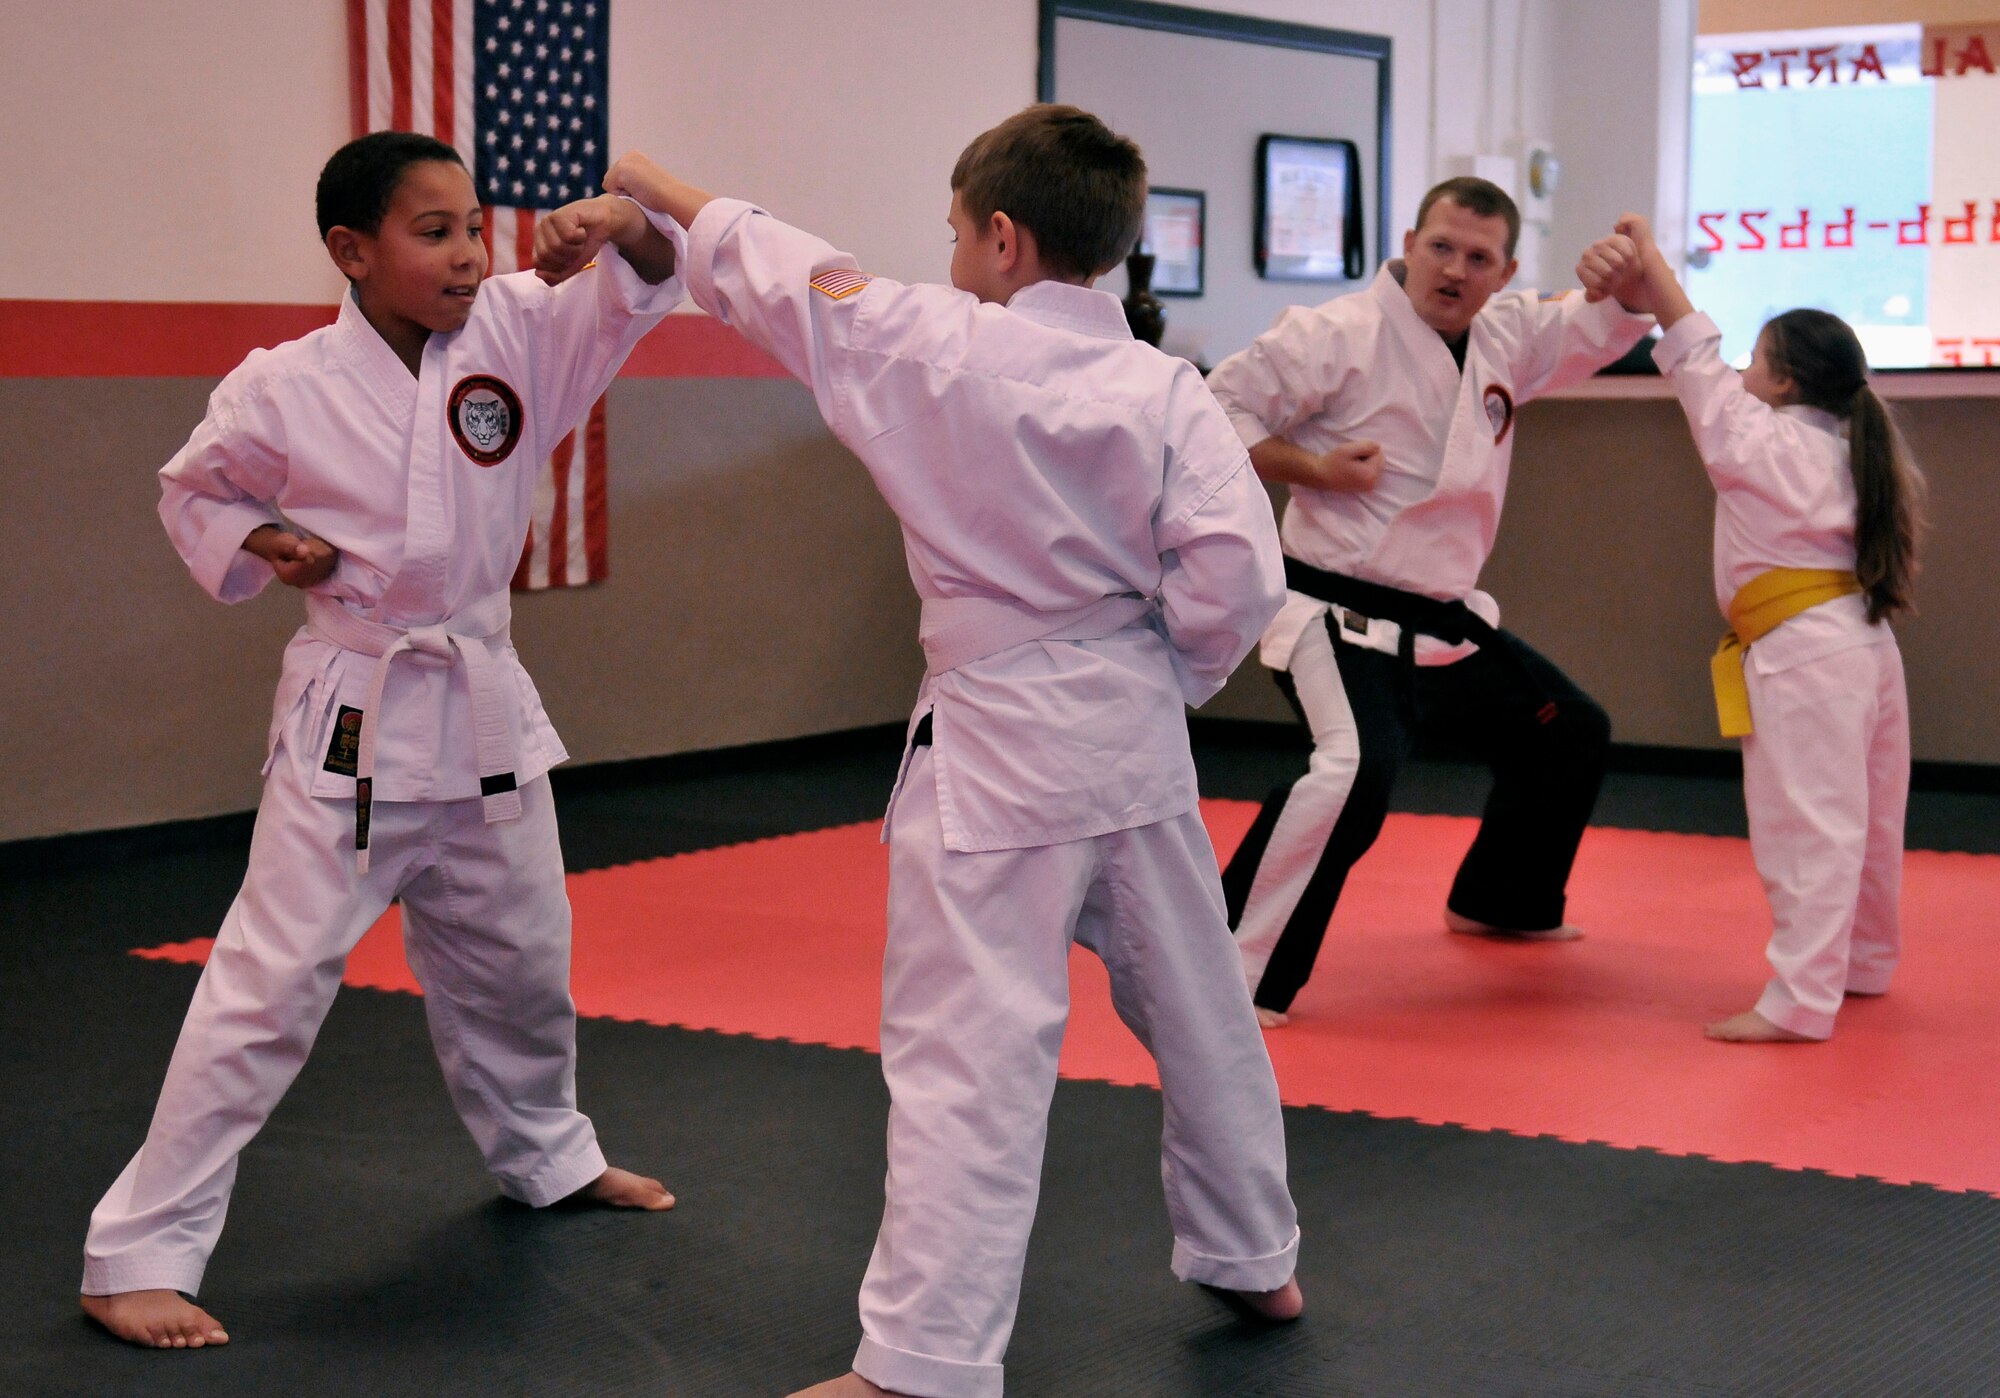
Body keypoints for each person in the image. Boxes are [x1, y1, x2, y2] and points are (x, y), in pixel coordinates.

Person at [555, 107, 1302, 1398]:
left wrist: (646, 179)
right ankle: (1255, 1253)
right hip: (1131, 737)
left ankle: (926, 1360)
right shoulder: (1167, 387)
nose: (949, 253)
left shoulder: (931, 341)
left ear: (1003, 237)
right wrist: (1162, 673)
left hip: (1001, 743)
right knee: (1202, 1013)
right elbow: (1239, 578)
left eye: (959, 232)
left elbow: (782, 270)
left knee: (970, 1054)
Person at [80, 131, 684, 1350]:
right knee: (266, 987)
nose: (468, 254)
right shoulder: (282, 385)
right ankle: (132, 1254)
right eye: (433, 232)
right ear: (351, 252)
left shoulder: (520, 330)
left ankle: (548, 1157)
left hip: (485, 703)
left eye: (473, 226)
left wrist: (621, 227)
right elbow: (195, 490)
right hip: (357, 715)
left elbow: (655, 278)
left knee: (520, 963)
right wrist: (264, 542)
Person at [1205, 177, 1654, 1028]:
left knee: (1568, 728)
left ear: (1505, 269)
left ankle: (1504, 899)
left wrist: (1629, 287)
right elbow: (1207, 412)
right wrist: (1316, 470)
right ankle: (1230, 964)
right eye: (1441, 247)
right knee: (1353, 771)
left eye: (1477, 258)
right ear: (1410, 242)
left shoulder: (1510, 335)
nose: (1453, 269)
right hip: (1332, 617)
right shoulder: (1332, 333)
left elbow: (1604, 325)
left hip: (1443, 622)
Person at [1588, 215, 1923, 1043]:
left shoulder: (1752, 439)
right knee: (1870, 818)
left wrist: (1654, 267)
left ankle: (1801, 1001)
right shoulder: (1857, 444)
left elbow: (1695, 353)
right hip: (1865, 647)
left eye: (1757, 361)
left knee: (1805, 828)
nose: (1741, 372)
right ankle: (1864, 964)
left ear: (1778, 382)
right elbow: (1707, 358)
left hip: (1805, 657)